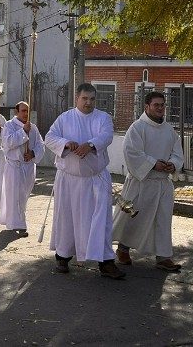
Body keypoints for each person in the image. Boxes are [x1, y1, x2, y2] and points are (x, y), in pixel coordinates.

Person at [44, 83, 125, 280]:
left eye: (92, 99)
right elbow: (49, 137)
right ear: (77, 99)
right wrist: (66, 143)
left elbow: (105, 136)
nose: (88, 103)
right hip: (68, 180)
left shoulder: (103, 118)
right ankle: (63, 256)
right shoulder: (65, 118)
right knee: (66, 218)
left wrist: (90, 145)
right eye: (84, 99)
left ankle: (105, 262)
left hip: (95, 179)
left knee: (101, 221)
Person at [112, 91, 184, 272]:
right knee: (132, 219)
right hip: (141, 182)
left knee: (162, 221)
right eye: (156, 105)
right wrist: (153, 164)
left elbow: (177, 154)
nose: (160, 108)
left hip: (162, 185)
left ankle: (163, 257)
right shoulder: (137, 128)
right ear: (147, 107)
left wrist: (172, 165)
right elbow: (132, 153)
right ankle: (122, 249)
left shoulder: (169, 130)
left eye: (162, 105)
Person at [0, 102, 44, 237]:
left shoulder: (33, 128)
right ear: (16, 112)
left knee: (23, 196)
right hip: (14, 166)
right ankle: (17, 225)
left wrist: (33, 154)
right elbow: (7, 143)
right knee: (14, 196)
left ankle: (14, 220)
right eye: (23, 111)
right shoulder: (9, 126)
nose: (26, 114)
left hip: (28, 166)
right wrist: (23, 131)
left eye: (27, 111)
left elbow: (40, 144)